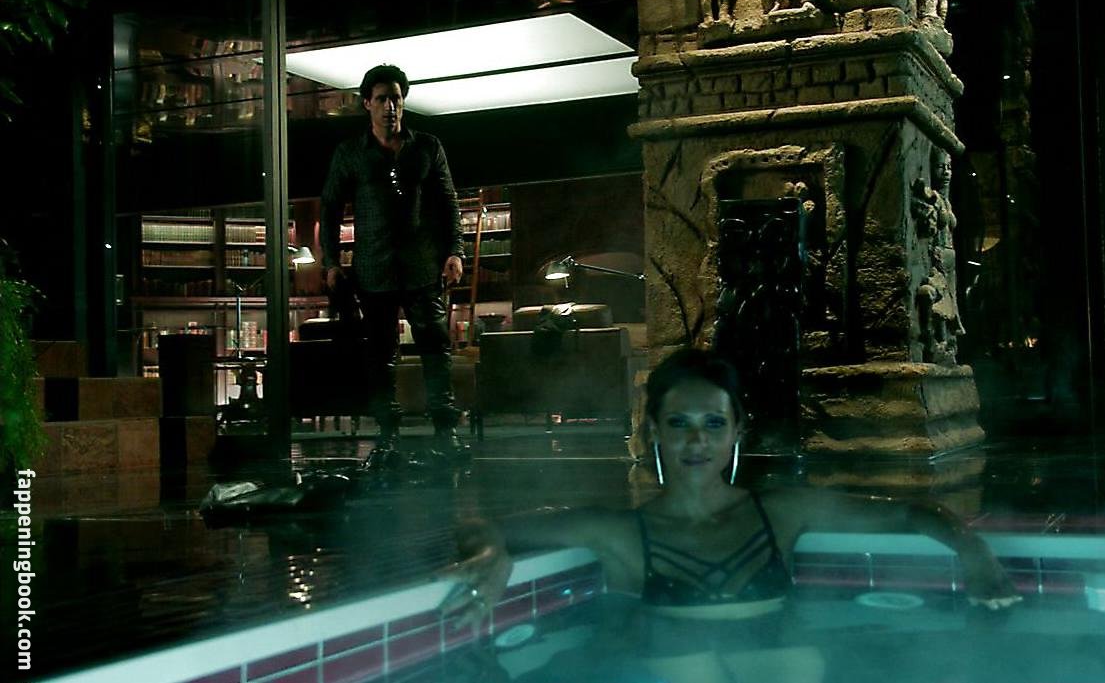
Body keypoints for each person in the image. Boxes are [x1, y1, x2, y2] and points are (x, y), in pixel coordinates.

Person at [442, 348, 1021, 682]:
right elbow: (482, 524)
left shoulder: (781, 513)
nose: (696, 441)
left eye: (713, 424)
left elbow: (913, 513)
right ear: (654, 431)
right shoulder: (622, 533)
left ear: (738, 431)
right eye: (679, 424)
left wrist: (974, 552)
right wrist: (492, 554)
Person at [320, 64, 466, 460]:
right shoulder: (350, 153)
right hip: (374, 269)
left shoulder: (427, 146)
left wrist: (455, 251)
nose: (390, 107)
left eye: (396, 99)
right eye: (382, 99)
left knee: (435, 348)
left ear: (404, 102)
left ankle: (445, 432)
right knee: (379, 354)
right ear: (367, 103)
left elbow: (448, 203)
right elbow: (330, 208)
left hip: (422, 266)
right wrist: (331, 262)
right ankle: (388, 434)